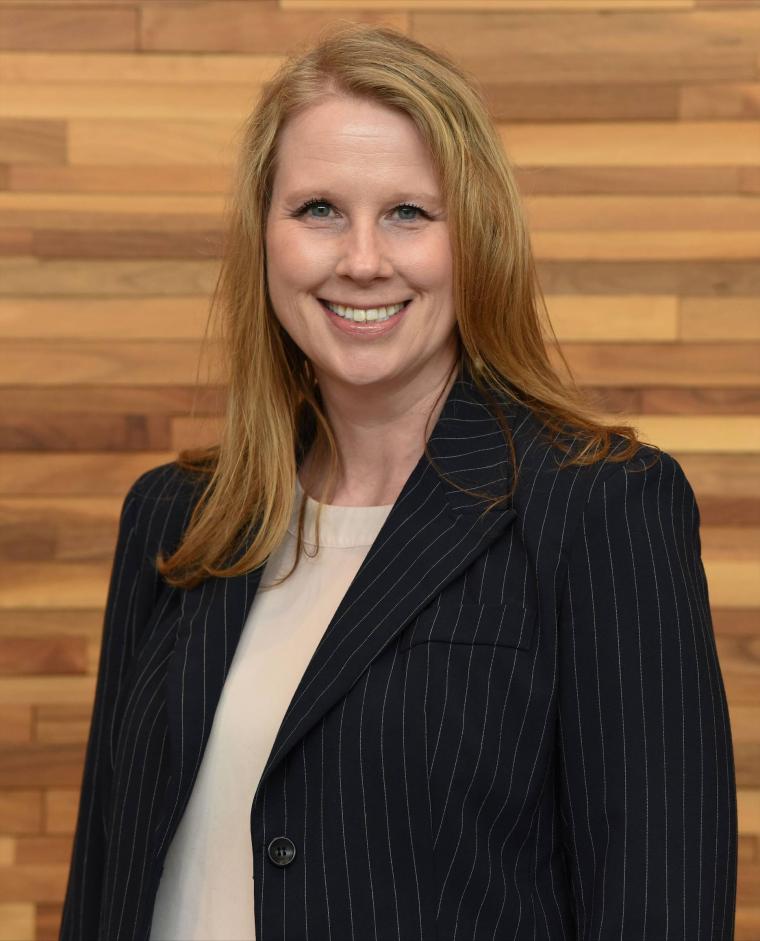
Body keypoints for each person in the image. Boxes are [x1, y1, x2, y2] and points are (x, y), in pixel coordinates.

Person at [59, 22, 737, 941]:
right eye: (319, 210)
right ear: (265, 235)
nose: (365, 258)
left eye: (411, 213)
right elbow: (105, 879)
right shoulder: (177, 518)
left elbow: (659, 906)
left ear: (476, 237)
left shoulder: (602, 507)